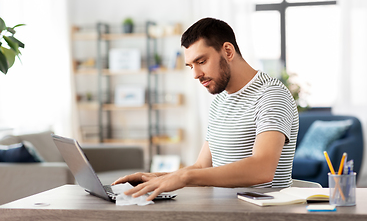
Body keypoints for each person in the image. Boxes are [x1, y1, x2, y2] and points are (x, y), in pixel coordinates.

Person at [113, 17, 299, 201]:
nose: (195, 74)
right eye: (191, 66)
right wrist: (156, 178)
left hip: (261, 213)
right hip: (222, 210)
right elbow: (202, 167)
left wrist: (184, 178)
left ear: (227, 51)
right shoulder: (220, 100)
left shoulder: (271, 95)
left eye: (201, 61)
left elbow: (262, 169)